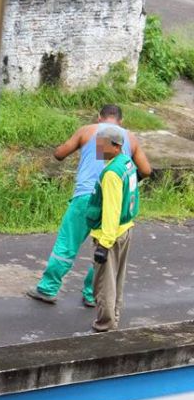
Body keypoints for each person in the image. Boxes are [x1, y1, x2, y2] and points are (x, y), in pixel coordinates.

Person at [26, 104, 151, 307]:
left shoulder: (87, 131)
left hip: (86, 196)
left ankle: (47, 288)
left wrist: (81, 149)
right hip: (112, 202)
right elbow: (145, 170)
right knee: (104, 246)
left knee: (67, 245)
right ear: (121, 121)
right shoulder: (130, 138)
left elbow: (59, 154)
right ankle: (92, 294)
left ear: (99, 117)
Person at [86, 126, 139, 331]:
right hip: (125, 230)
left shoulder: (111, 173)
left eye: (102, 145)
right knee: (117, 279)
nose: (99, 149)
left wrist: (104, 244)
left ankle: (105, 325)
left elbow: (111, 210)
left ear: (116, 146)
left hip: (111, 235)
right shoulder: (127, 163)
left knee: (104, 283)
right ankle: (114, 317)